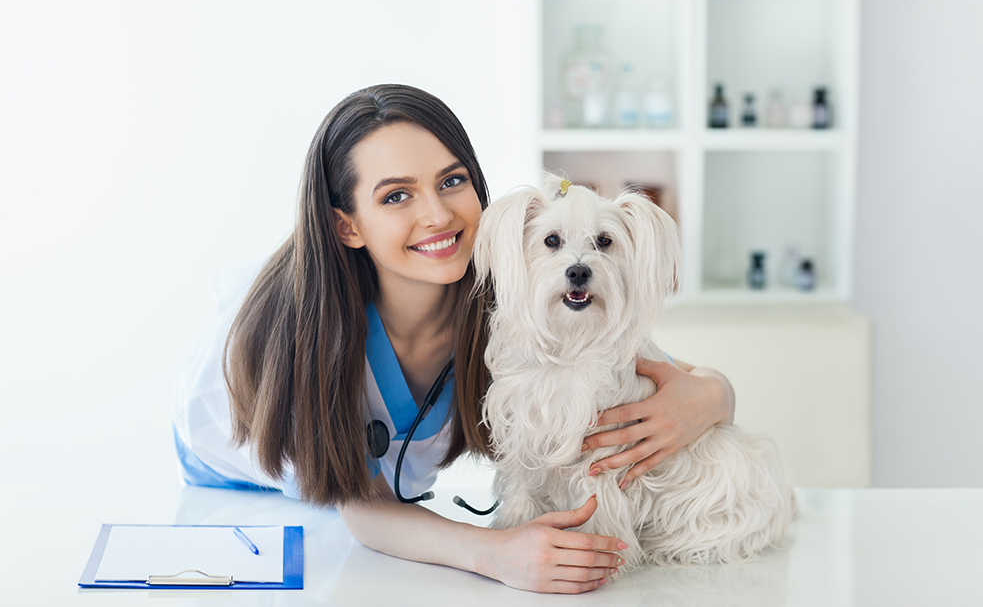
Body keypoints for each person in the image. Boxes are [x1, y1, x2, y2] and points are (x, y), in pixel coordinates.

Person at [172, 84, 735, 594]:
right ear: (347, 225)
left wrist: (712, 395)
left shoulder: (513, 293)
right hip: (231, 484)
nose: (437, 215)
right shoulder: (307, 330)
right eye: (397, 196)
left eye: (451, 181)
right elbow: (360, 504)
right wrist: (494, 553)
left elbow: (645, 367)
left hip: (357, 509)